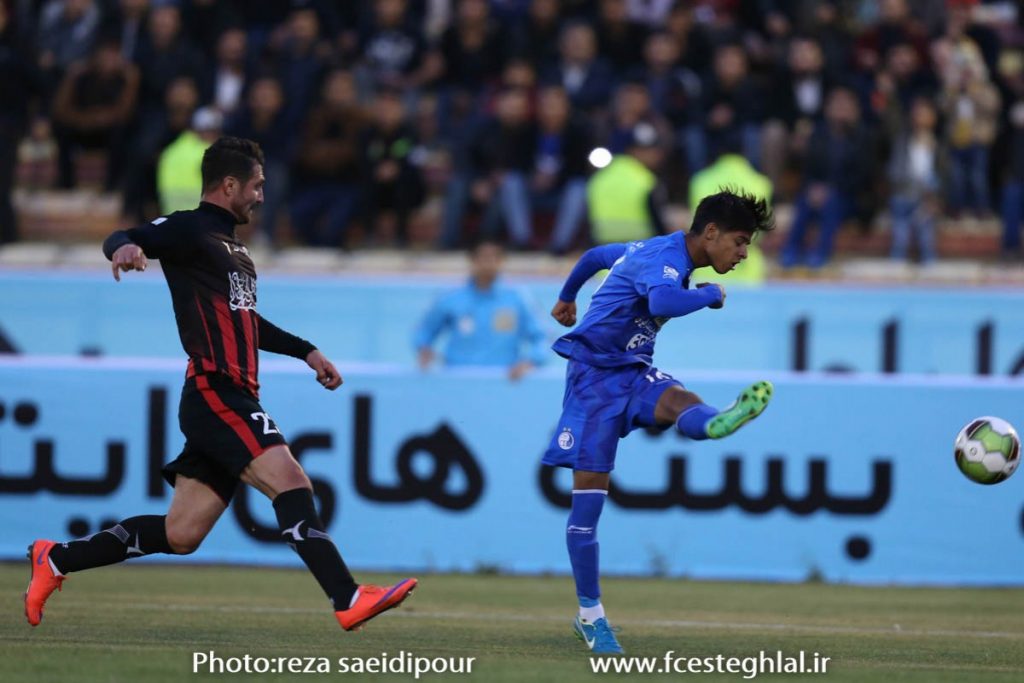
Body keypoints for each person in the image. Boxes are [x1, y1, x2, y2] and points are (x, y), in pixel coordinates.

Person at [25, 137, 416, 632]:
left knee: (182, 533)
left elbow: (247, 322)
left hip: (228, 396)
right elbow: (125, 234)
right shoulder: (189, 229)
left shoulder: (235, 250)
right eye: (256, 185)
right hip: (216, 391)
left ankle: (55, 558)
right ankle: (348, 596)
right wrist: (124, 246)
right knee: (291, 482)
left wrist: (306, 350)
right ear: (228, 185)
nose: (260, 196)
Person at [544, 190, 775, 654]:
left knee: (679, 399)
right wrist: (709, 294)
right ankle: (590, 617)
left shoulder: (652, 251)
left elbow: (594, 255)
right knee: (587, 509)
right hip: (593, 380)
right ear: (710, 233)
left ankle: (716, 423)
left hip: (632, 370)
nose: (744, 253)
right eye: (740, 241)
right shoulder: (665, 261)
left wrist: (567, 297)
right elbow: (665, 301)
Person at [414, 240, 546, 381]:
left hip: (503, 381)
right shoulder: (450, 298)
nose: (488, 263)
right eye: (483, 258)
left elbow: (542, 337)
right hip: (457, 380)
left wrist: (530, 361)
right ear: (472, 261)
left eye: (494, 258)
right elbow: (425, 330)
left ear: (502, 262)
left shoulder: (517, 299)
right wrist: (424, 349)